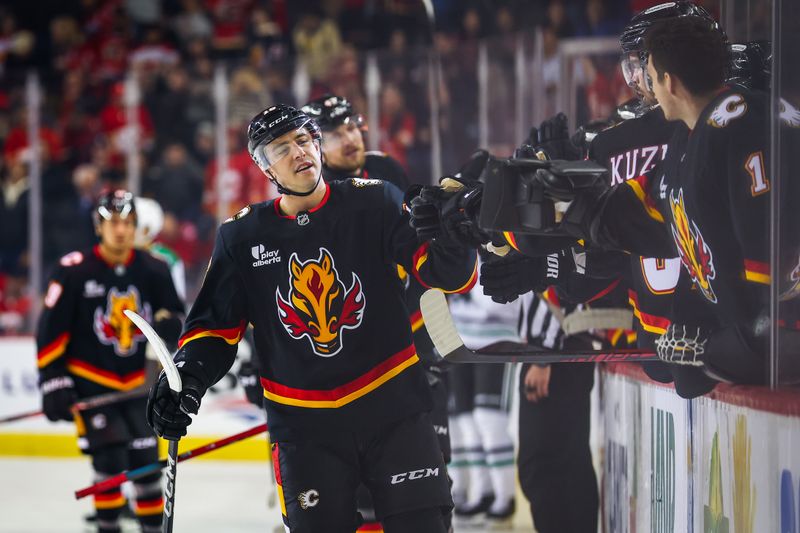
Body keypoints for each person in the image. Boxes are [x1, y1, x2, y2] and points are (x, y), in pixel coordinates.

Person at [146, 104, 478, 533]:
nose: (298, 151)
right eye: (281, 148)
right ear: (265, 168)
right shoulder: (242, 237)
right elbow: (213, 329)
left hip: (394, 409)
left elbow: (443, 274)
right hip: (306, 430)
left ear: (318, 146)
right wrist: (187, 379)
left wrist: (456, 235)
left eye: (303, 140)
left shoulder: (375, 200)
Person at [301, 93, 454, 532]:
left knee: (431, 466)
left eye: (351, 127)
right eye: (334, 132)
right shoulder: (310, 193)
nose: (349, 138)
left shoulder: (385, 169)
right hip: (359, 349)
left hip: (413, 331)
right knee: (362, 485)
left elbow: (415, 249)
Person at [36, 189, 184, 533]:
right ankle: (108, 528)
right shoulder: (72, 271)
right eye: (113, 222)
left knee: (147, 464)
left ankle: (150, 528)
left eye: (128, 223)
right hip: (93, 383)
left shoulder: (155, 268)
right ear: (98, 227)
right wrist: (53, 380)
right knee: (110, 460)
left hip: (139, 386)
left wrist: (170, 324)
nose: (121, 230)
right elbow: (50, 332)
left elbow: (176, 315)